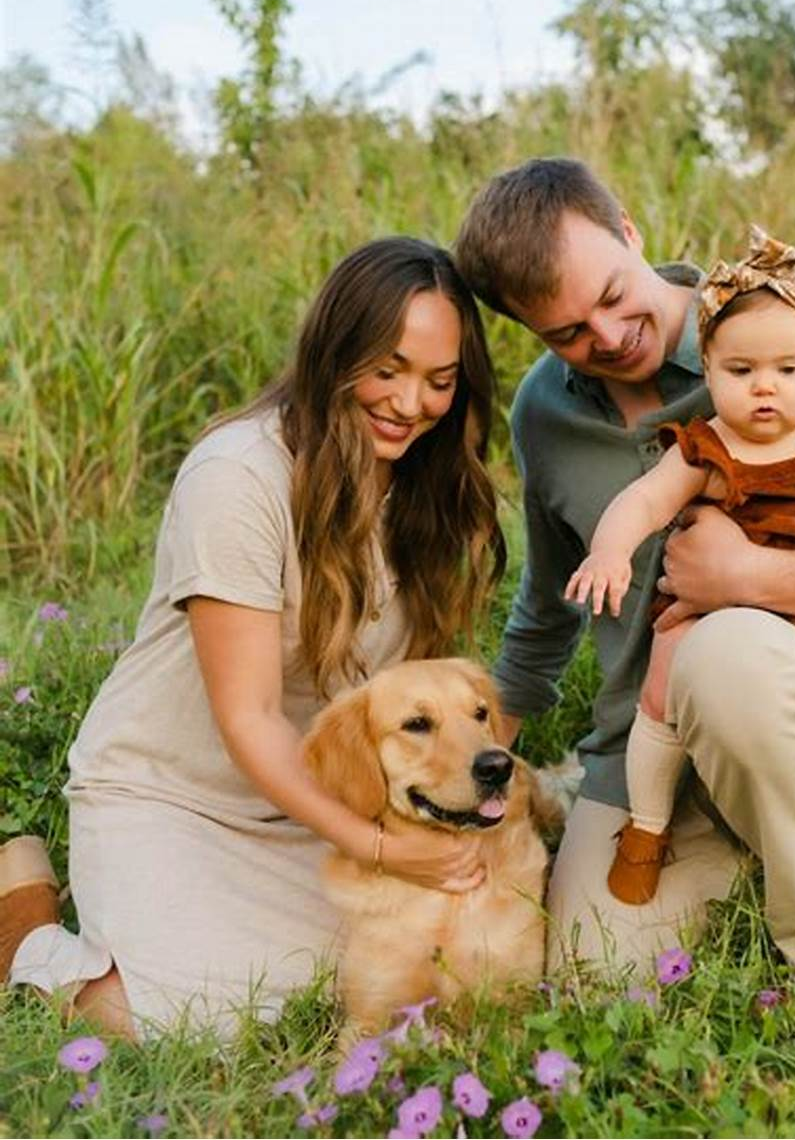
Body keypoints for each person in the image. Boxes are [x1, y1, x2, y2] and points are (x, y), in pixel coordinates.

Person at [454, 158, 795, 1010]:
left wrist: (751, 575)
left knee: (728, 652)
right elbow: (547, 612)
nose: (611, 336)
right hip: (649, 751)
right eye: (568, 332)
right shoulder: (543, 416)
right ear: (526, 330)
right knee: (593, 984)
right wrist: (474, 762)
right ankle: (738, 856)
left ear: (631, 232)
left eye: (615, 295)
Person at [0, 238, 505, 1039]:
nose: (411, 403)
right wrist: (378, 849)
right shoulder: (238, 476)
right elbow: (250, 719)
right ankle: (23, 921)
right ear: (335, 351)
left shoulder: (424, 483)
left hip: (317, 800)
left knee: (361, 979)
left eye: (440, 382)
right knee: (201, 1019)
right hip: (177, 794)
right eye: (388, 370)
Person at [565, 225, 795, 909]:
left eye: (787, 371)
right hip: (711, 612)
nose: (764, 389)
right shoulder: (706, 446)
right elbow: (644, 499)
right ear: (708, 372)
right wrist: (611, 549)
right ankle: (646, 829)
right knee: (663, 680)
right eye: (741, 373)